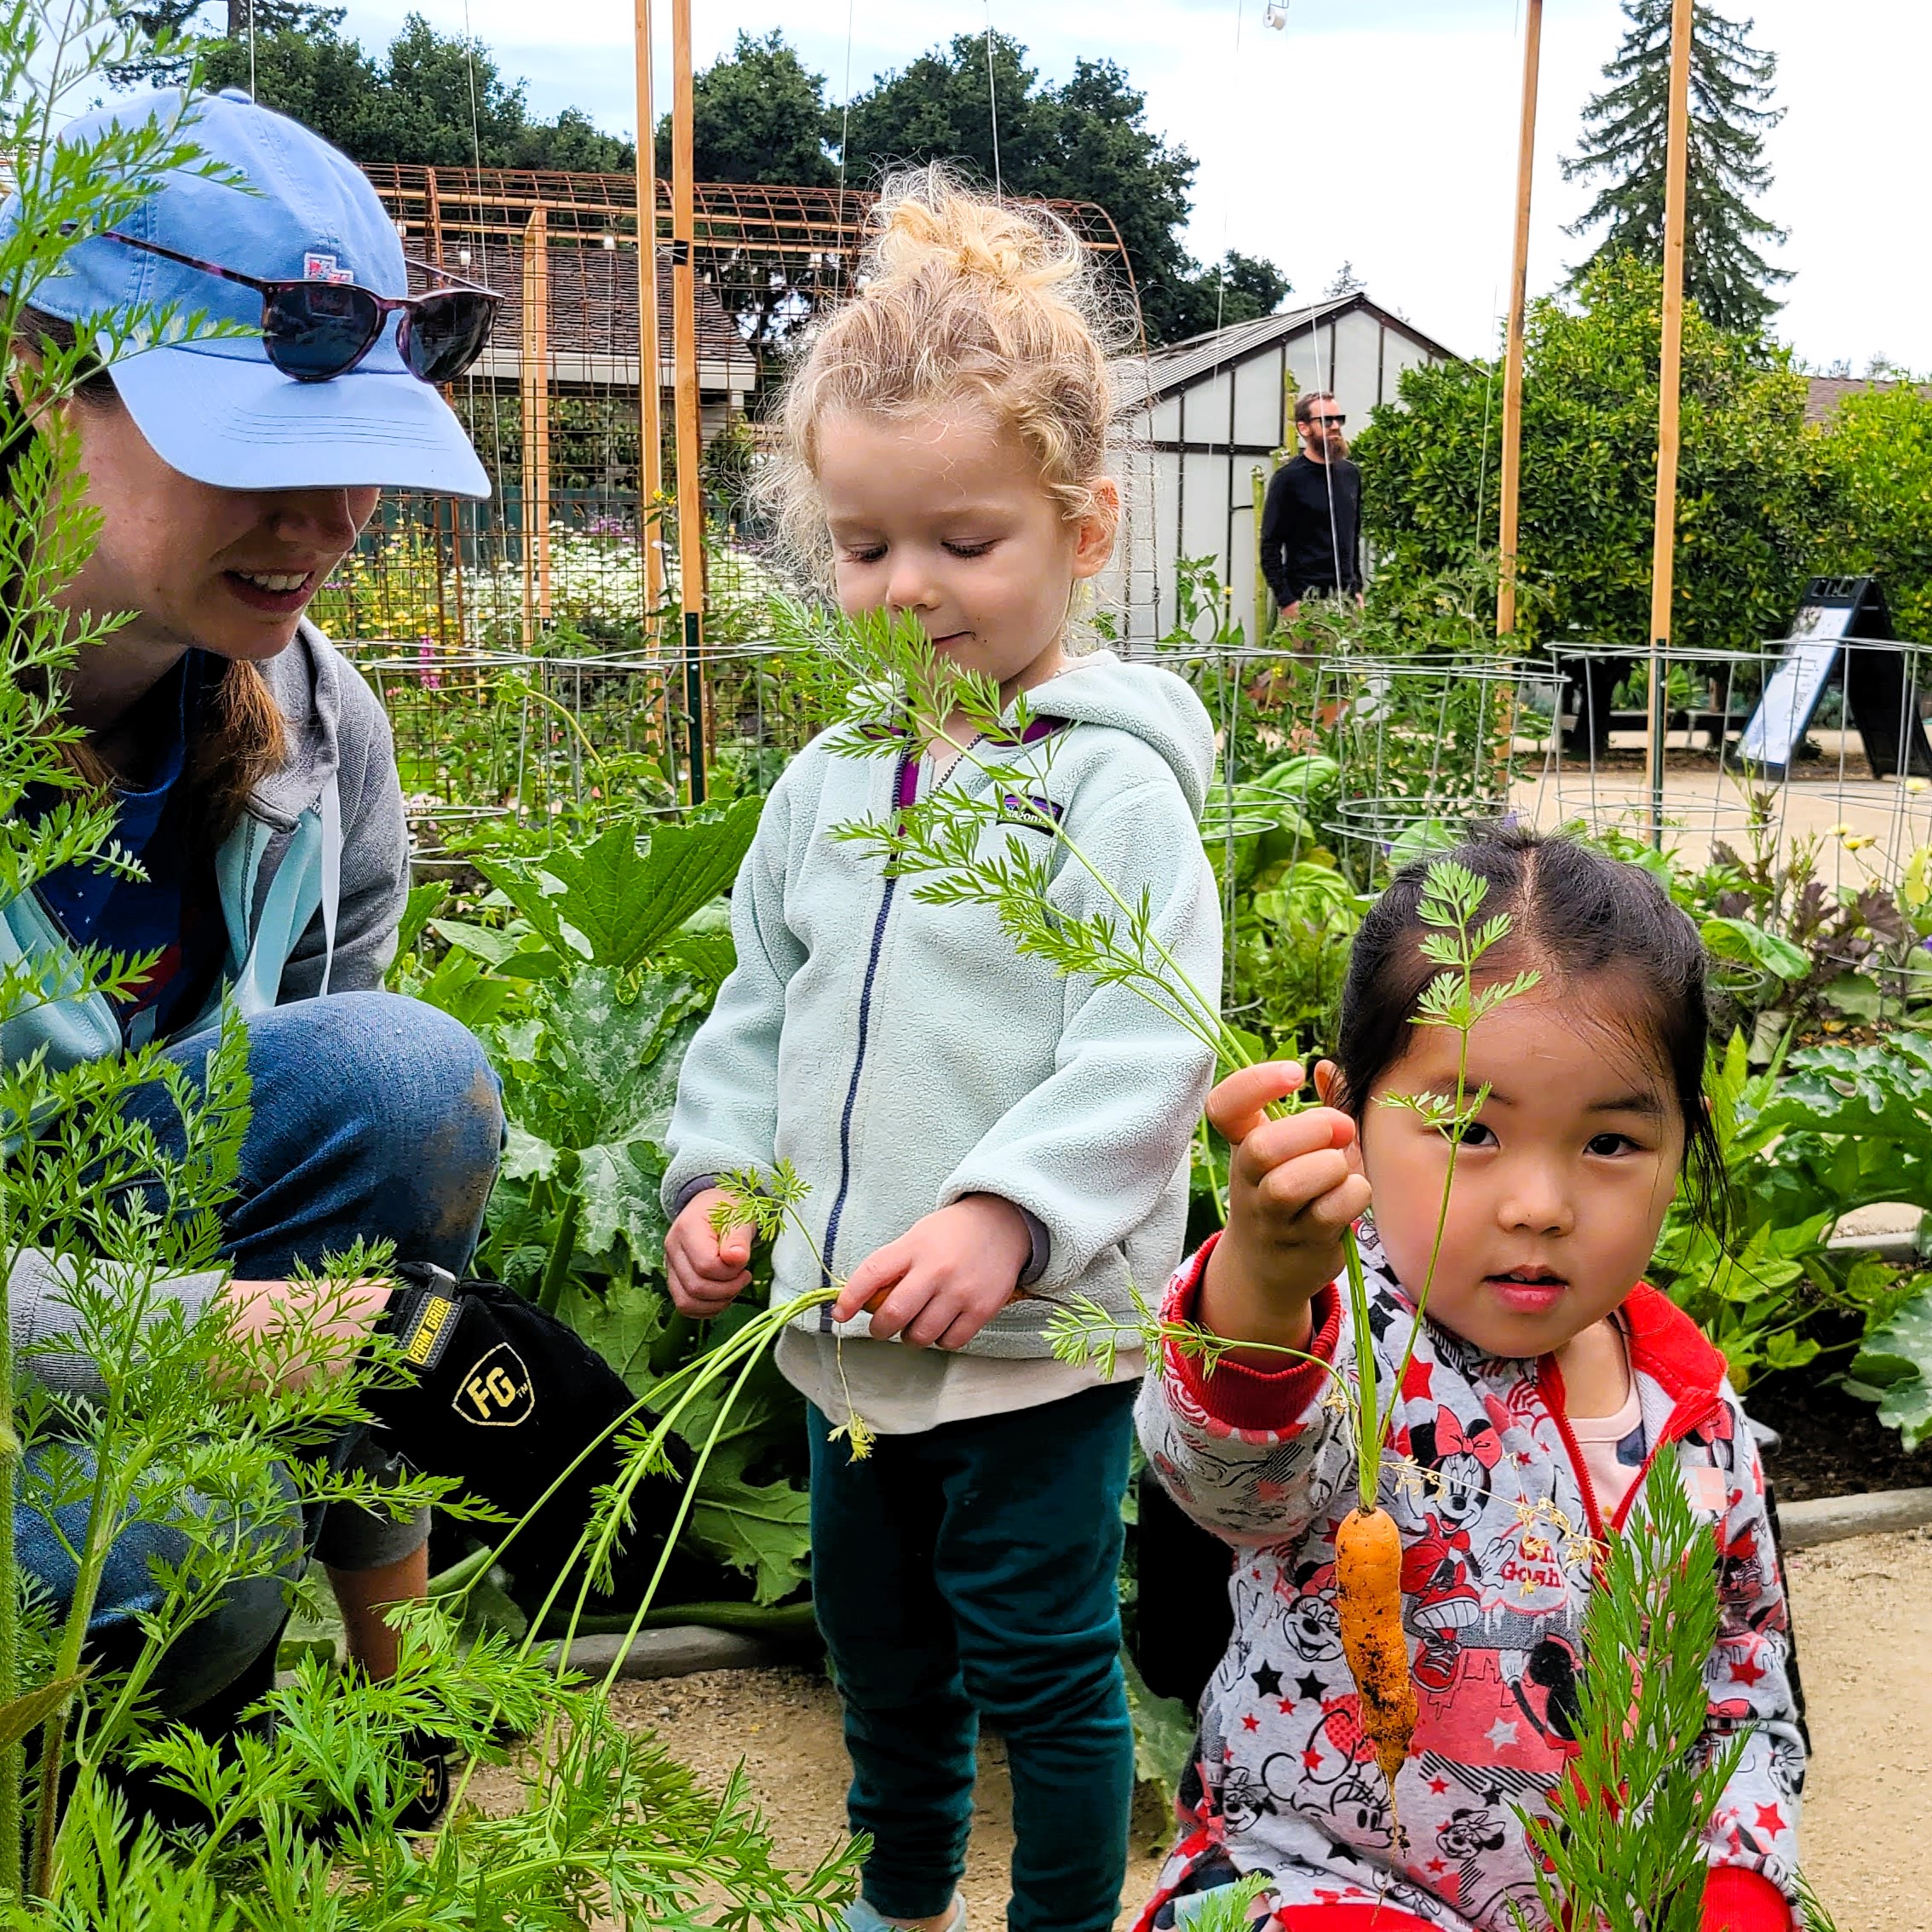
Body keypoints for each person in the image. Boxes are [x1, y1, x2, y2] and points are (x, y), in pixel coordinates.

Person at [2, 87, 657, 1760]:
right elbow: (332, 1322)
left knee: (405, 1079)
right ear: (36, 385)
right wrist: (328, 1340)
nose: (330, 524)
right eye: (257, 459)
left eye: (360, 459)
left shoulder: (318, 723)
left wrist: (405, 1706)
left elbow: (367, 1236)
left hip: (113, 1365)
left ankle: (186, 1730)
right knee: (195, 1548)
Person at [659, 169, 1222, 1932]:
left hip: (1036, 1346)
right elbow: (761, 1003)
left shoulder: (1111, 790)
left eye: (963, 544)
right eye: (863, 545)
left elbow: (1145, 1047)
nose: (908, 589)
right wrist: (723, 1172)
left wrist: (1003, 1214)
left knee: (1047, 1669)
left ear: (1086, 530)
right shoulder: (825, 785)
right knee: (879, 1652)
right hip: (844, 1340)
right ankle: (900, 1901)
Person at [1133, 828, 1804, 1932]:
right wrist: (1260, 1289)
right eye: (1471, 1130)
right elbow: (1232, 1482)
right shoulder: (1354, 1347)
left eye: (1611, 1144)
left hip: (1612, 1897)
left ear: (1688, 1142)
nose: (1538, 1202)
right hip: (1322, 1882)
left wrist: (1735, 1889)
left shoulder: (1702, 1427)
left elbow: (1745, 1691)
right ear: (1348, 1116)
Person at [1258, 391, 1363, 622]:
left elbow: (1352, 537)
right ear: (1304, 428)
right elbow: (1270, 545)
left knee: (1350, 659)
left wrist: (1357, 589)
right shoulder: (1288, 479)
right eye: (1327, 420)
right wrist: (1286, 601)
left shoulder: (1351, 474)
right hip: (1306, 603)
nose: (1336, 426)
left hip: (1346, 604)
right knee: (1310, 659)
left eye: (1339, 419)